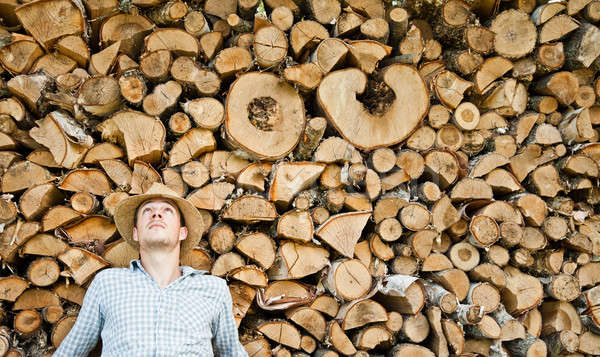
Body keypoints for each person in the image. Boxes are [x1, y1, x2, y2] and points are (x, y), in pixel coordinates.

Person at [54, 183, 248, 356]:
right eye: (148, 211)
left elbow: (231, 351)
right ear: (136, 233)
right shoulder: (107, 283)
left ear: (182, 232)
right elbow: (72, 350)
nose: (157, 214)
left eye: (167, 210)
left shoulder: (213, 289)